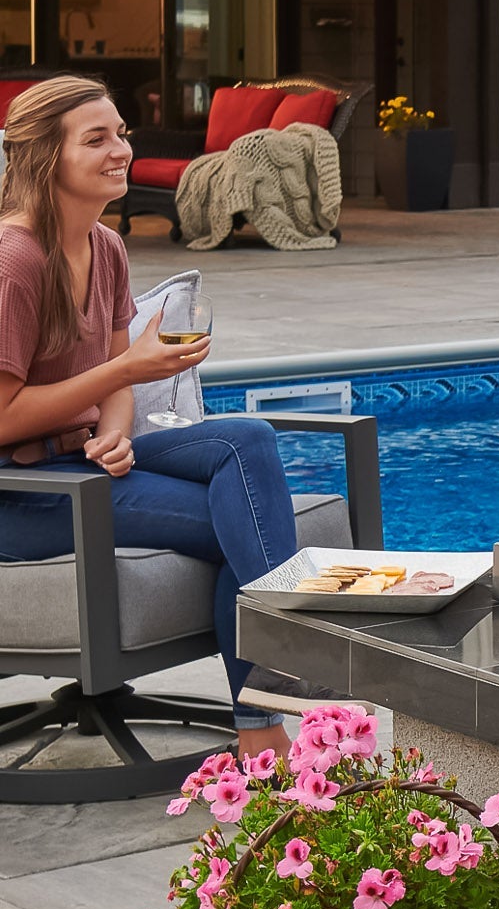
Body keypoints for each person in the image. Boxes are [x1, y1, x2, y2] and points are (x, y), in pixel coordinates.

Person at [0, 75, 301, 762]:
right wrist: (126, 375)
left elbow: (113, 375)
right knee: (247, 530)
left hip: (77, 459)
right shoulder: (14, 261)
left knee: (247, 440)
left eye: (122, 133)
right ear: (46, 156)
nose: (121, 150)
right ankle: (268, 723)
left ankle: (267, 714)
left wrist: (112, 427)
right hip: (24, 493)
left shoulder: (104, 246)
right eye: (97, 138)